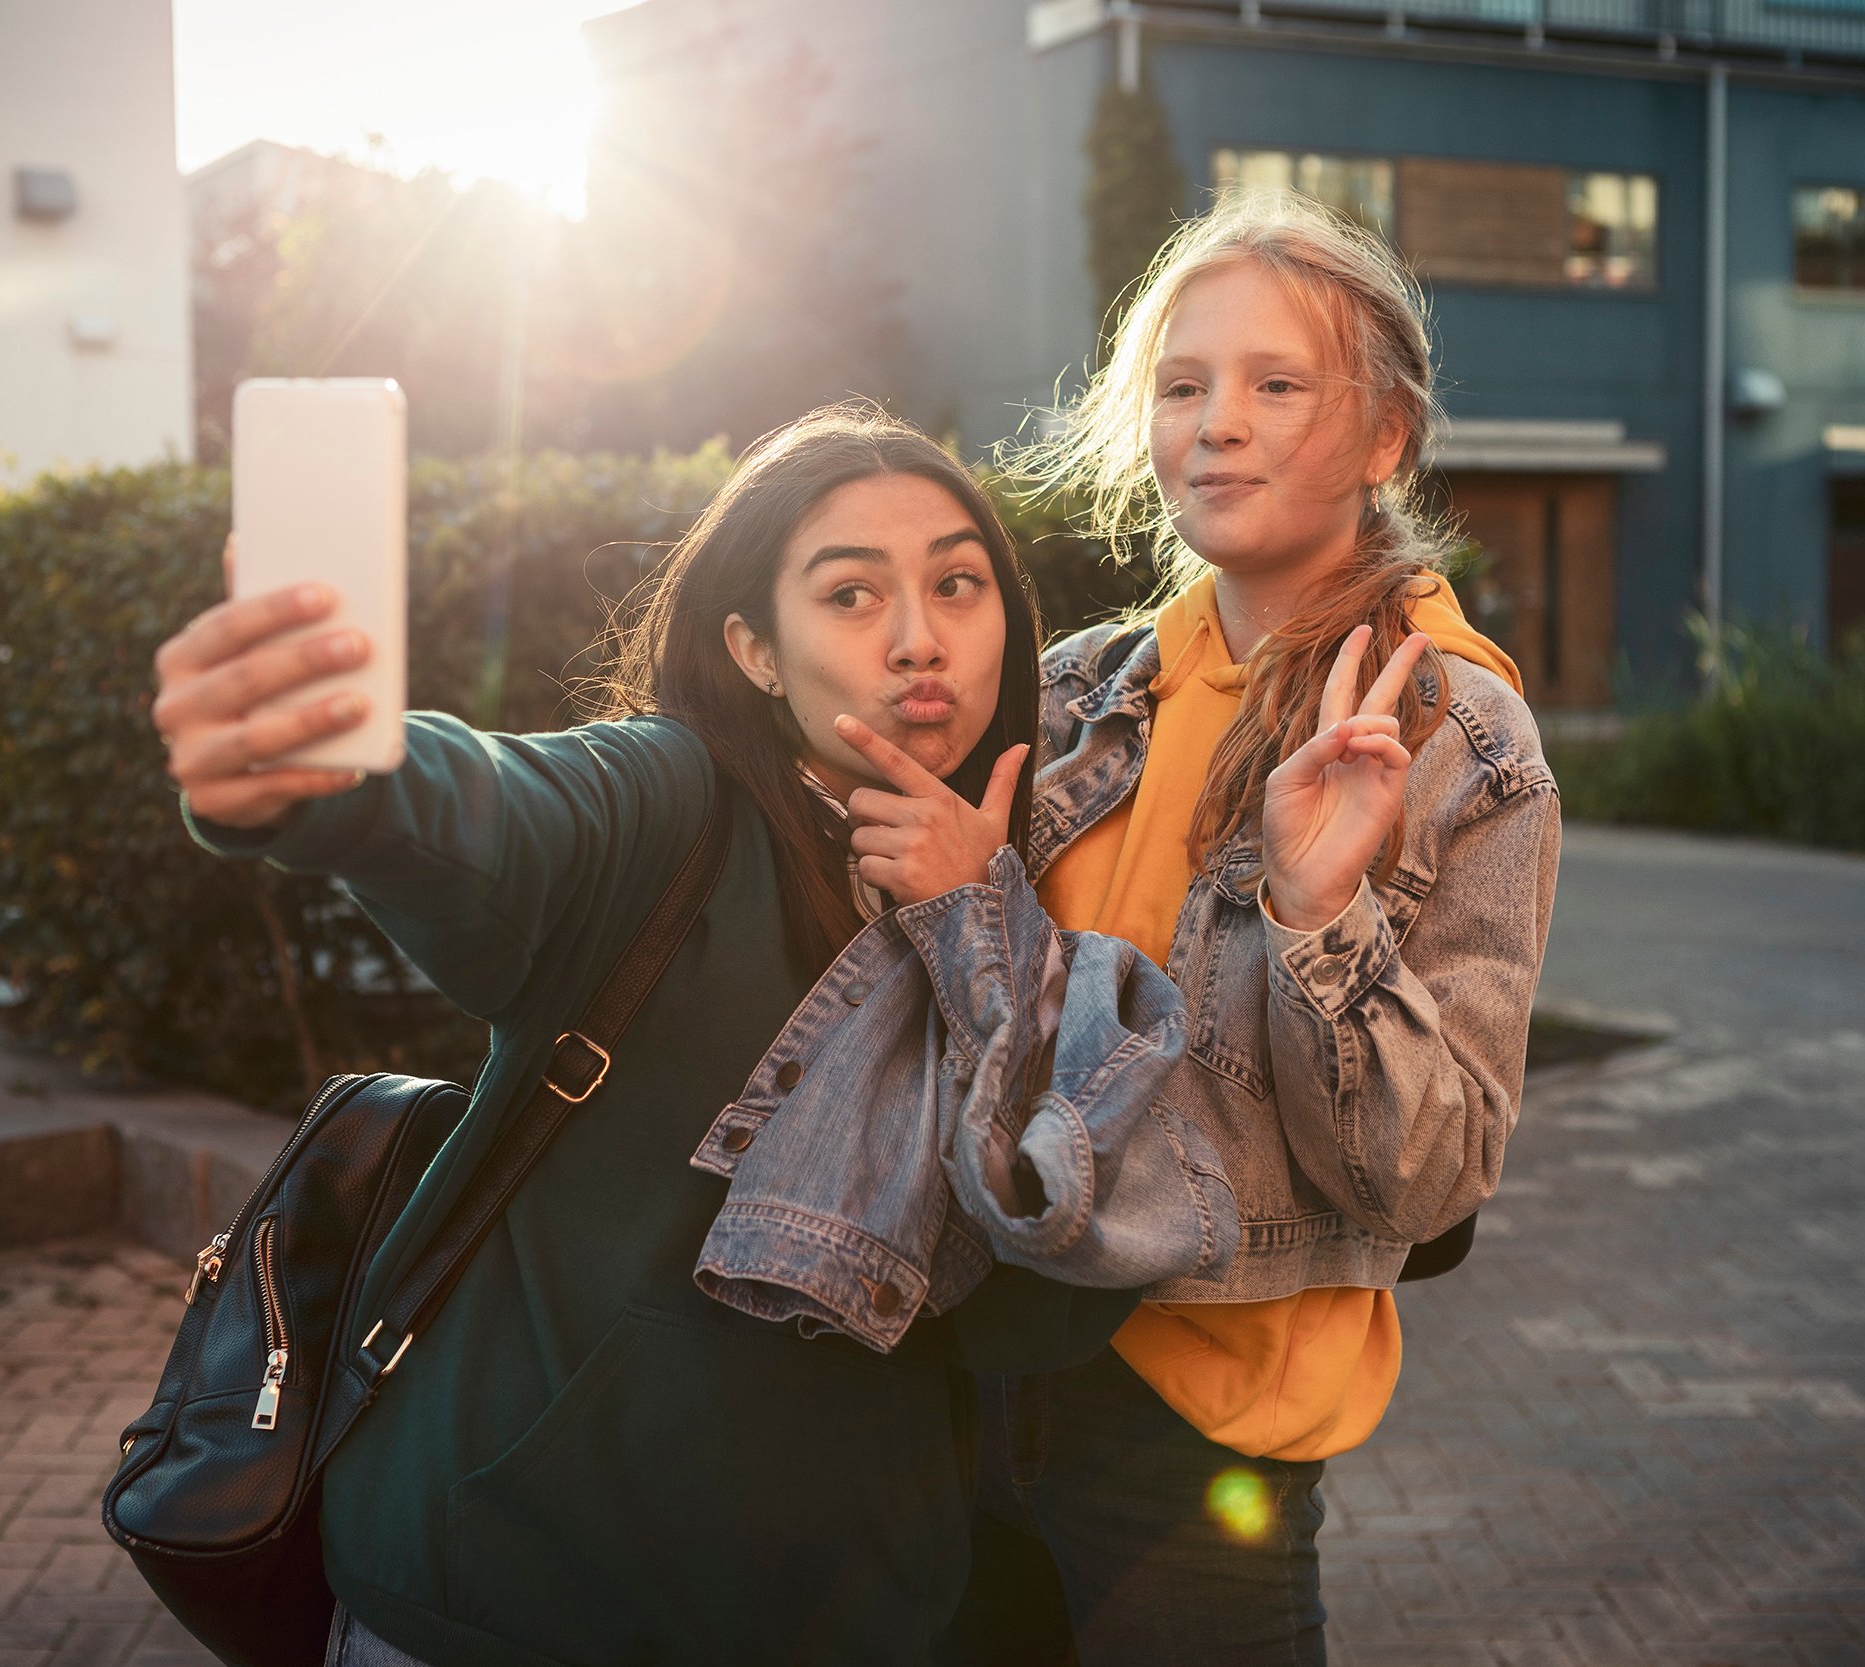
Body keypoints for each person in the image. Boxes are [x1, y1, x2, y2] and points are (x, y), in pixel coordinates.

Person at [149, 405, 1139, 1665]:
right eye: (848, 593)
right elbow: (499, 812)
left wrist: (975, 931)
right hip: (505, 1606)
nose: (918, 636)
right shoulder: (667, 813)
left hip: (846, 1624)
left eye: (958, 582)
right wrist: (329, 769)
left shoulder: (1032, 903)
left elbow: (1040, 1318)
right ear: (755, 649)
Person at [956, 191, 1564, 1664]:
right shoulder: (1082, 684)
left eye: (1276, 383)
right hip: (979, 1369)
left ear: (1385, 439)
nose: (1216, 422)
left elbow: (1429, 1172)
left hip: (1200, 1431)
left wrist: (1317, 909)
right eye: (1182, 383)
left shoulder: (1454, 735)